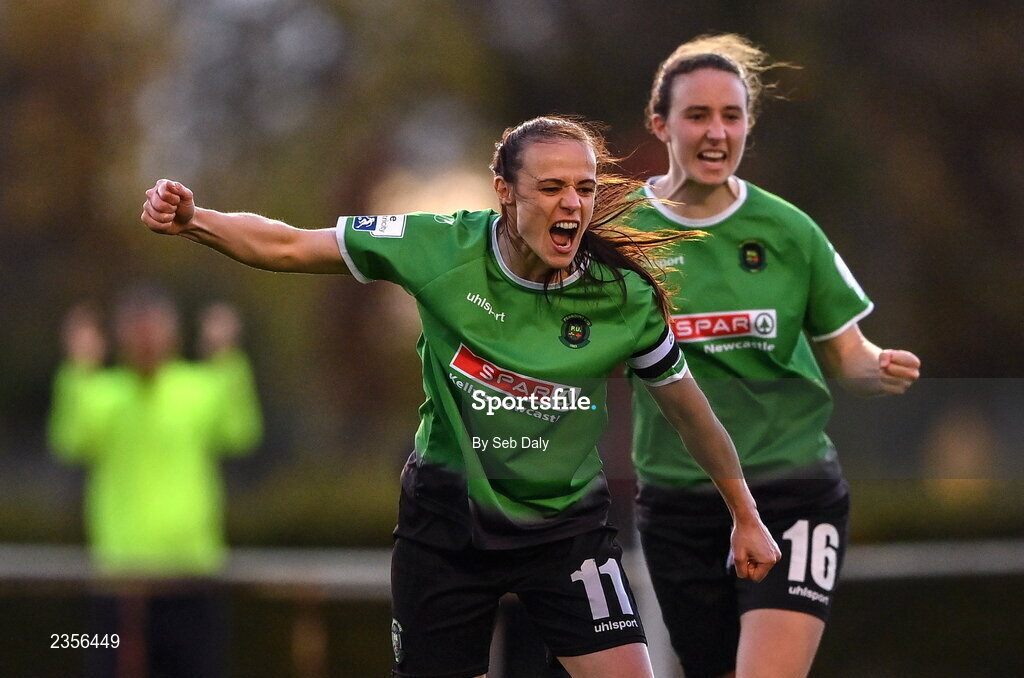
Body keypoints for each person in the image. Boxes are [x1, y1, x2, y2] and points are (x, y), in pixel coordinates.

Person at [140, 115, 781, 678]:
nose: (573, 205)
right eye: (551, 187)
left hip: (565, 529)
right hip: (446, 525)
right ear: (505, 192)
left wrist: (745, 515)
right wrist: (196, 221)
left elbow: (691, 414)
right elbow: (287, 244)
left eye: (584, 189)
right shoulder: (439, 247)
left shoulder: (622, 299)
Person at [623, 34, 922, 678]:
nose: (716, 132)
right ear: (661, 124)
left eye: (731, 116)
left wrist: (875, 368)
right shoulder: (618, 234)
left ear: (748, 126)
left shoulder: (789, 230)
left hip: (791, 488)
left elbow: (847, 353)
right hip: (679, 501)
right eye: (697, 115)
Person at [48, 287, 263, 678]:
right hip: (120, 583)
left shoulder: (199, 388)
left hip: (191, 578)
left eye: (154, 330)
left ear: (172, 335)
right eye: (137, 331)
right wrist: (78, 367)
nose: (146, 341)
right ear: (121, 337)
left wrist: (227, 355)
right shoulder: (102, 394)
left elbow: (241, 431)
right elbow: (69, 440)